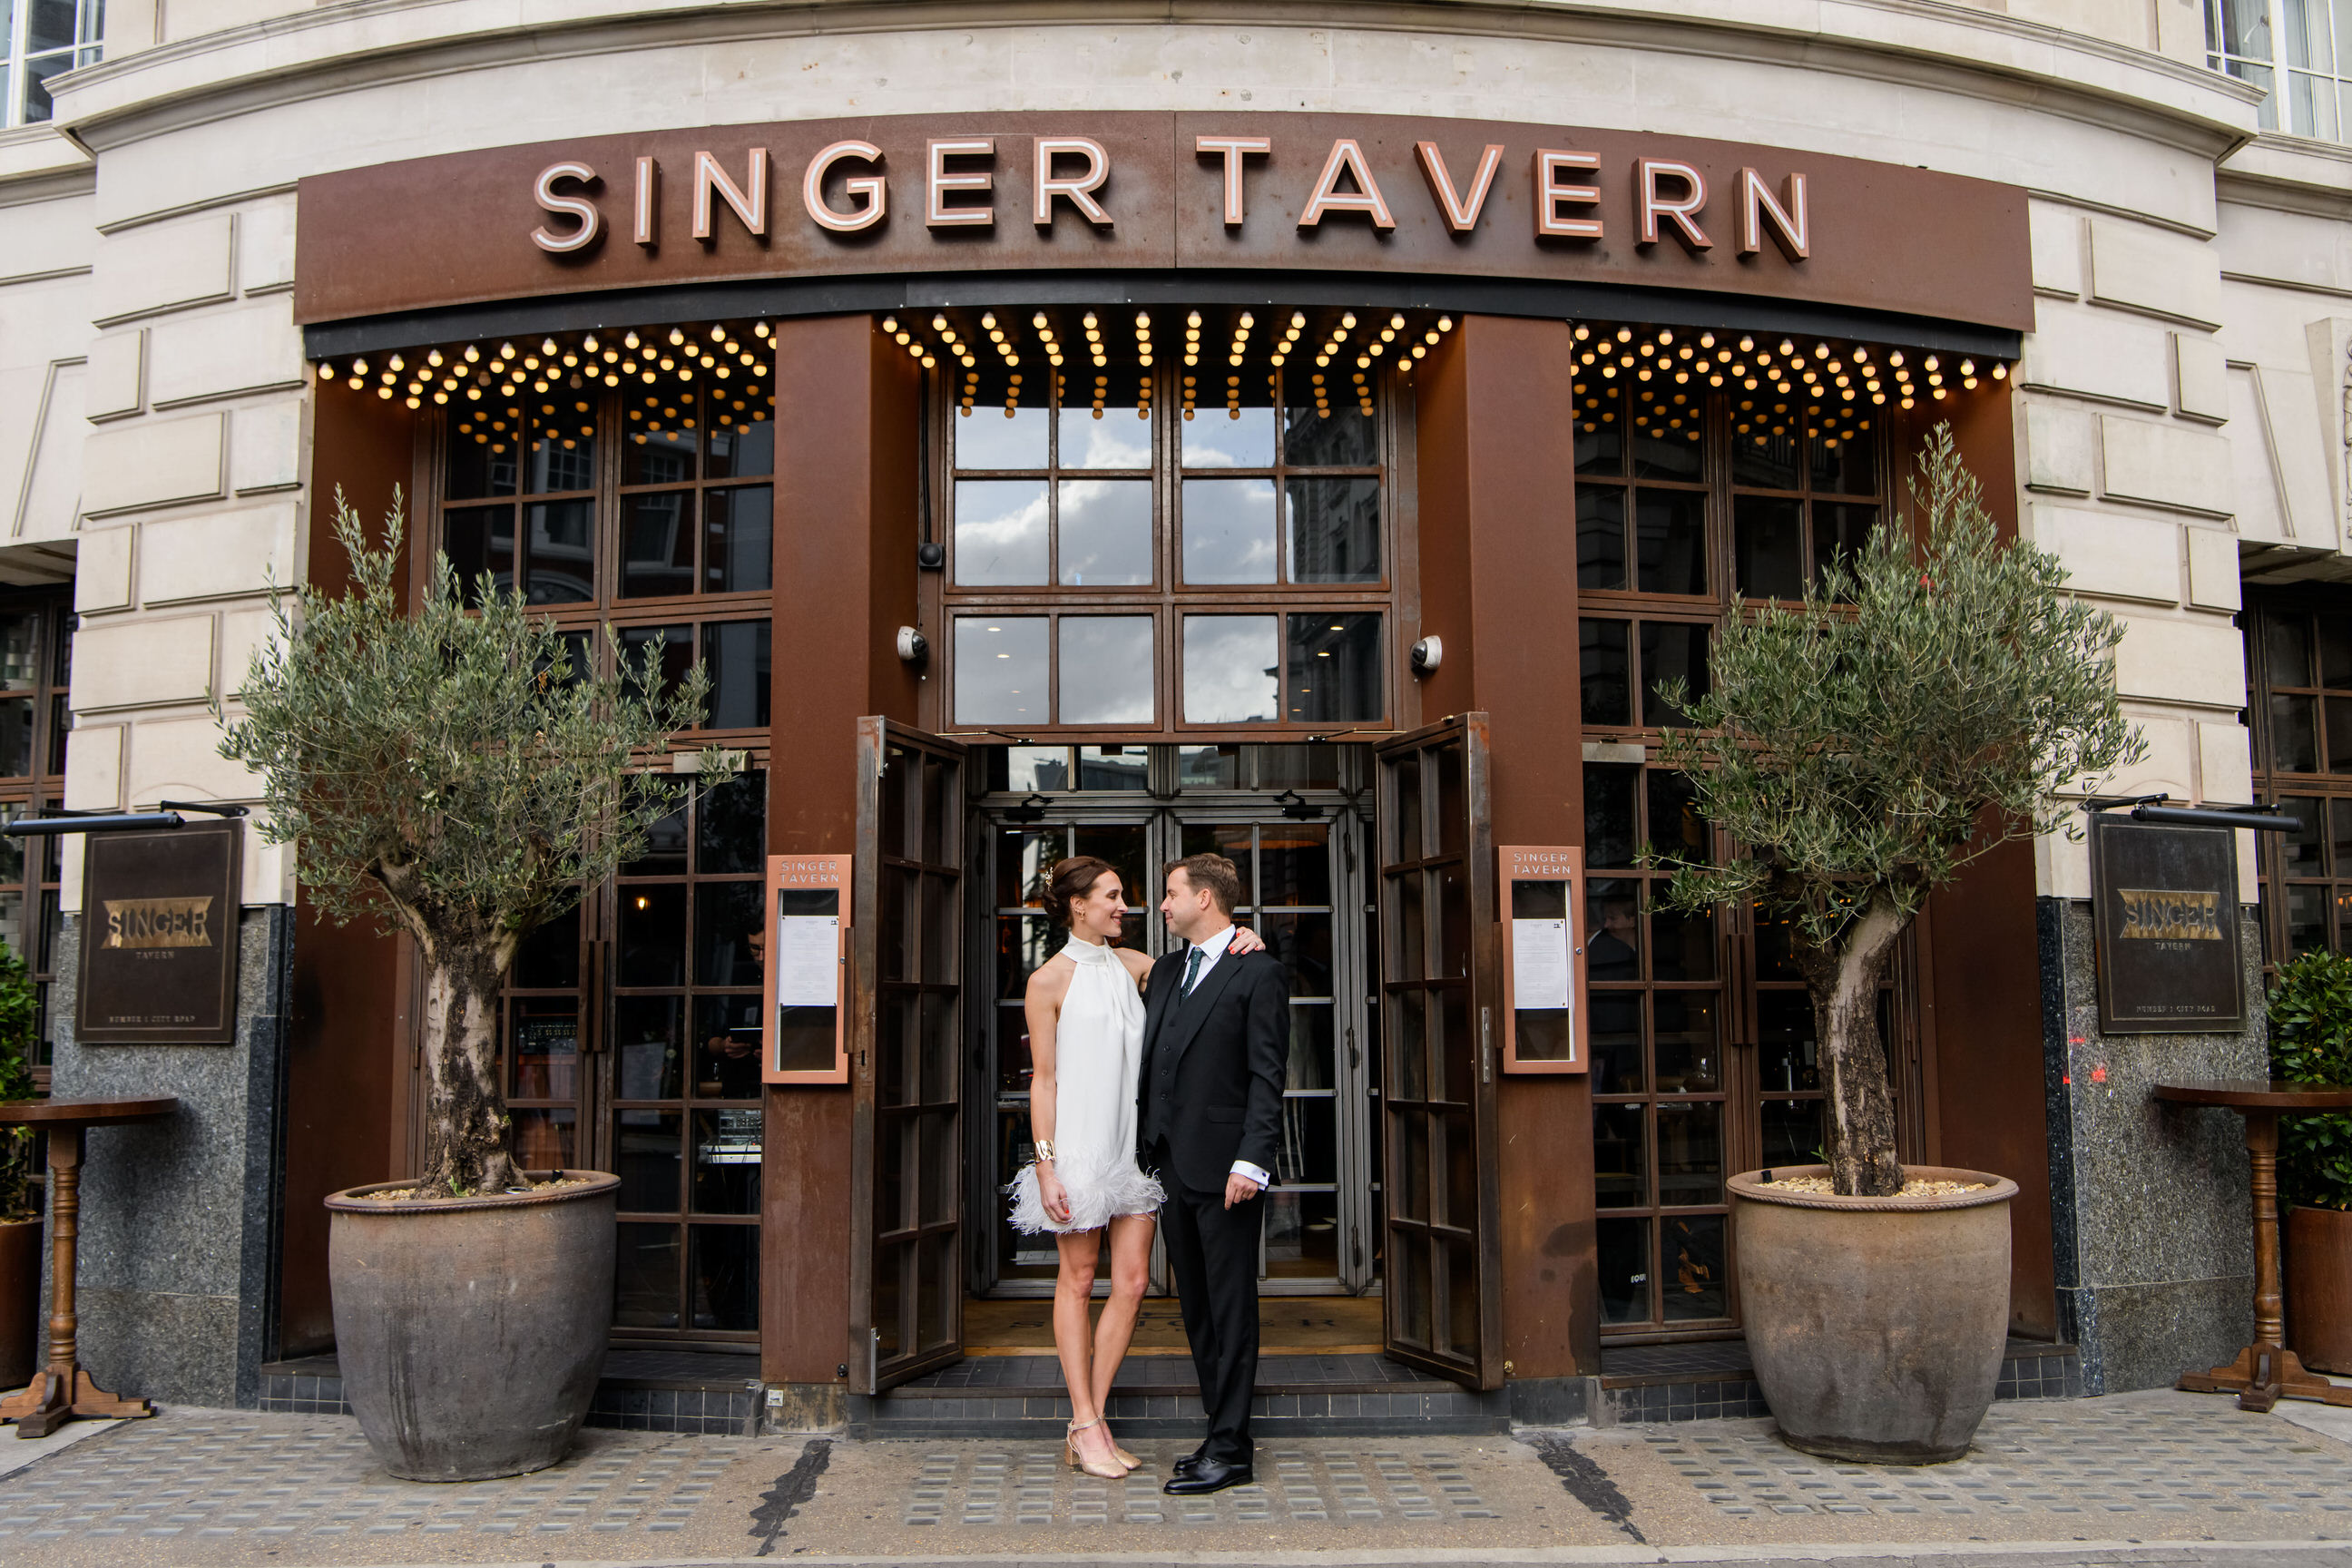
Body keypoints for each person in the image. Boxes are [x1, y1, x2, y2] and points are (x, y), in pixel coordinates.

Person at [1005, 856, 1264, 1480]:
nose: (1126, 906)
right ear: (1078, 905)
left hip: (1134, 1154)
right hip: (1076, 1151)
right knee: (1078, 1278)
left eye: (1125, 896)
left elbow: (1211, 965)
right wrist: (1045, 1168)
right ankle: (1087, 1423)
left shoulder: (1142, 967)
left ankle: (1086, 1424)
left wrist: (1247, 937)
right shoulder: (1046, 981)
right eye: (1113, 896)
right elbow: (1042, 1084)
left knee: (1129, 1284)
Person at [1137, 852, 1289, 1496]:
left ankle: (1232, 1449)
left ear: (1205, 898)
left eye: (1171, 894)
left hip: (1228, 1169)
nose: (1162, 905)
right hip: (1170, 1163)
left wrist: (1252, 1160)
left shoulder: (1259, 973)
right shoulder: (1166, 968)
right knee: (1196, 1308)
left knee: (1231, 1310)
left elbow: (1266, 1075)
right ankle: (1215, 1434)